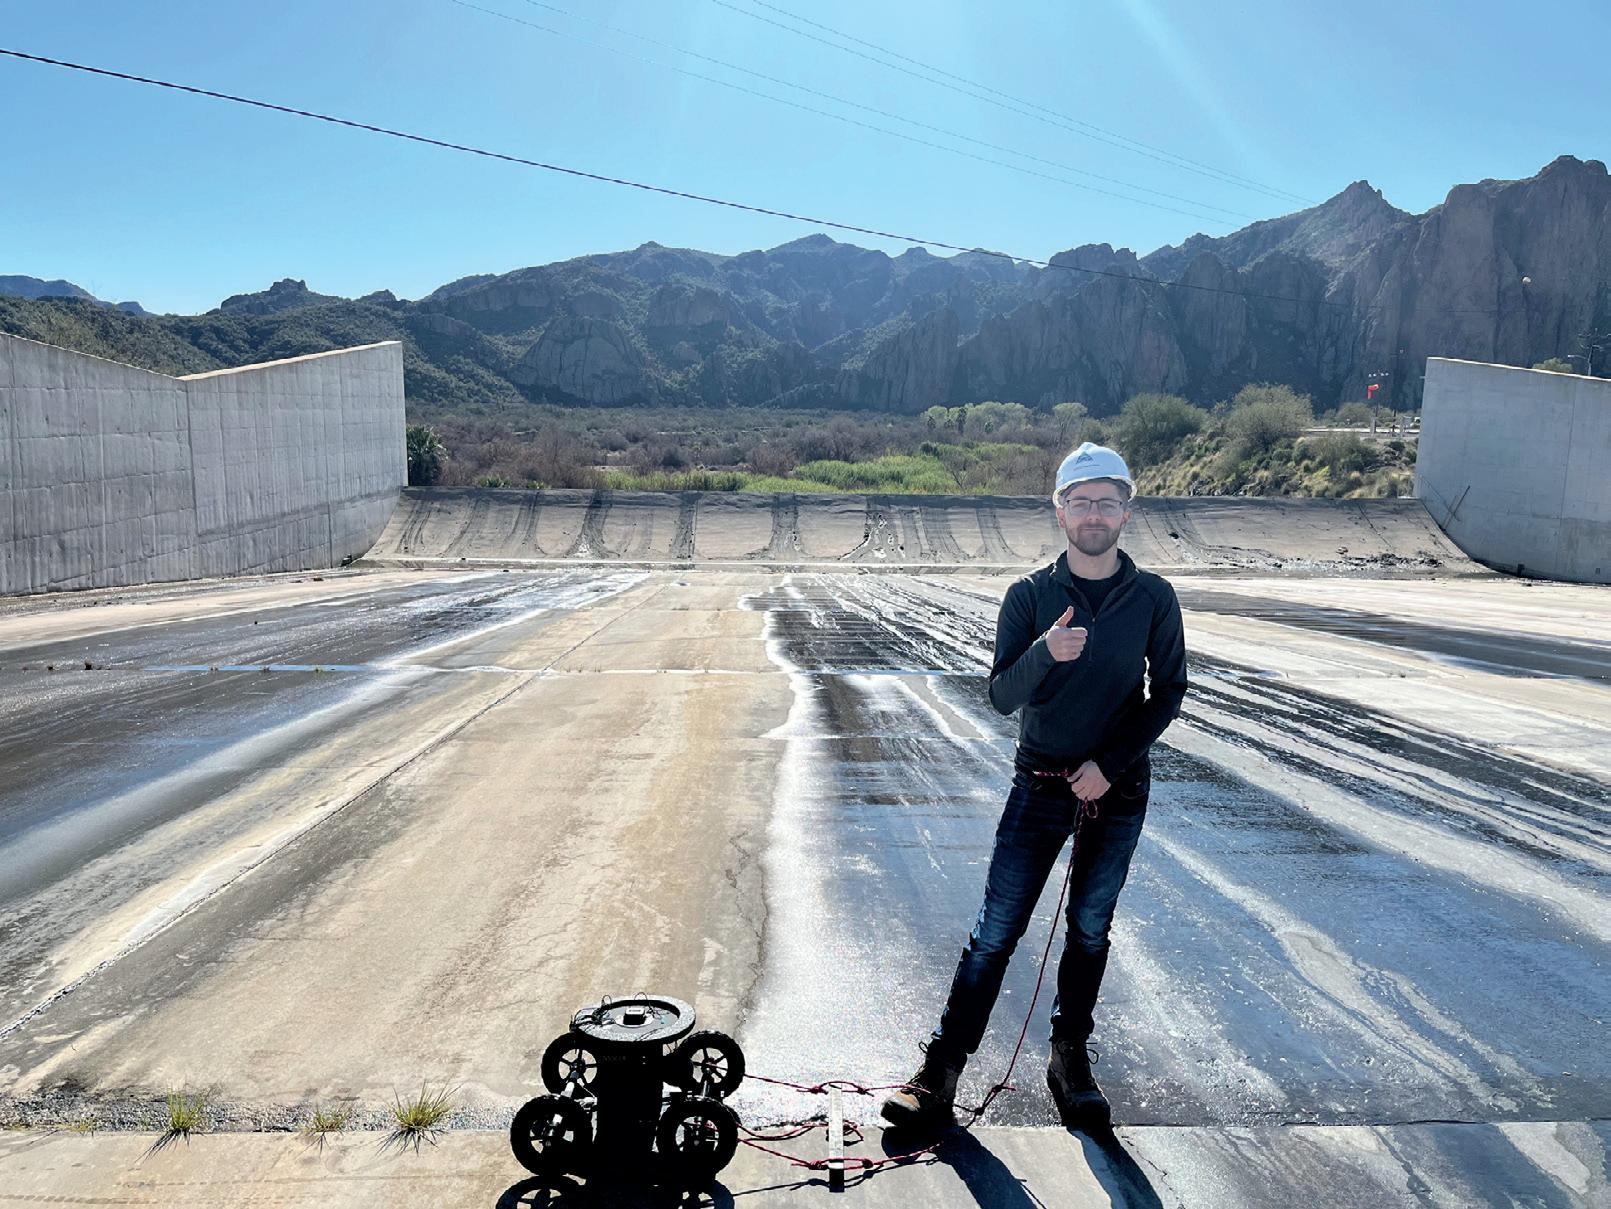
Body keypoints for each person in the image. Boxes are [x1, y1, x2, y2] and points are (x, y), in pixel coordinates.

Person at [881, 441, 1188, 1133]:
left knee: (1089, 928)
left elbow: (1168, 691)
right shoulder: (1029, 596)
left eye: (1106, 501)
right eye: (1080, 502)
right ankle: (940, 1070)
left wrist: (1108, 765)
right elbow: (1000, 696)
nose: (1092, 514)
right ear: (1059, 511)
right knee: (995, 930)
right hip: (1040, 785)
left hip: (1116, 791)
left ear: (1127, 512)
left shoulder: (1152, 598)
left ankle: (1069, 1060)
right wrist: (1044, 651)